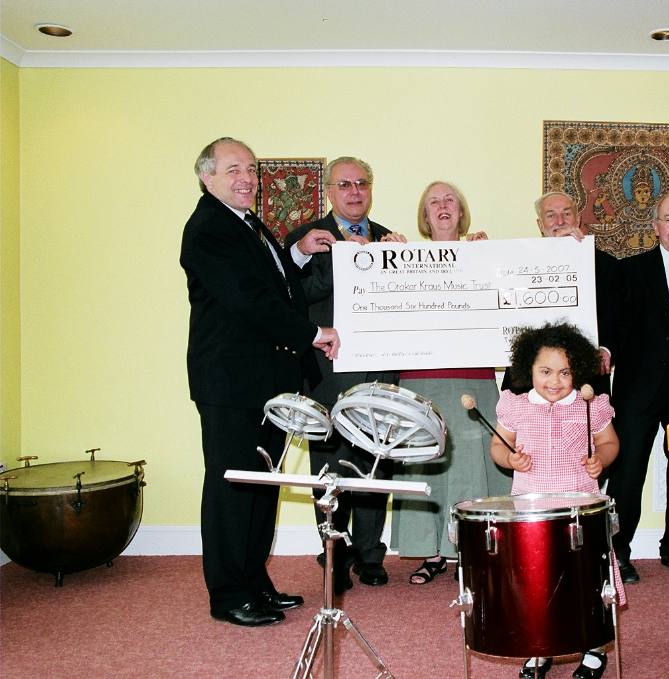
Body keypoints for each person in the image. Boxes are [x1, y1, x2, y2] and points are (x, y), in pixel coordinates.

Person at [180, 137, 341, 627]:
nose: (247, 178)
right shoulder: (208, 227)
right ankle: (230, 594)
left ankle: (254, 582)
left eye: (251, 169)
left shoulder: (247, 223)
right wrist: (312, 333)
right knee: (233, 488)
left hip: (265, 382)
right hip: (231, 383)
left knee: (262, 485)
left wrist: (298, 252)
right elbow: (249, 299)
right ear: (206, 176)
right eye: (234, 169)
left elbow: (277, 282)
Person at [284, 156, 406, 592]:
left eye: (362, 183)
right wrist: (348, 261)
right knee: (329, 468)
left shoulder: (389, 238)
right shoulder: (306, 239)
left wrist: (402, 262)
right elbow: (294, 297)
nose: (355, 191)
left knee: (375, 464)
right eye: (345, 184)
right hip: (327, 372)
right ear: (329, 191)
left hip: (378, 372)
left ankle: (371, 555)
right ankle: (335, 552)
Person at [391, 180, 512, 584]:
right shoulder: (403, 258)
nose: (442, 207)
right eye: (434, 202)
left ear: (461, 212)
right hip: (421, 377)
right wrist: (386, 256)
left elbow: (509, 304)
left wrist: (491, 260)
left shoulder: (484, 255)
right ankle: (432, 552)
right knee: (426, 464)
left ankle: (471, 550)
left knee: (473, 465)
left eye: (450, 201)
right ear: (425, 216)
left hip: (473, 376)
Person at [491, 322, 621, 679]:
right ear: (528, 369)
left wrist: (601, 459)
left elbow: (610, 443)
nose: (555, 381)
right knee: (535, 582)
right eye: (545, 372)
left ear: (576, 371)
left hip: (580, 508)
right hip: (531, 512)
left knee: (584, 581)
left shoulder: (589, 405)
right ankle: (539, 646)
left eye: (564, 372)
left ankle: (593, 646)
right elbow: (497, 446)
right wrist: (510, 459)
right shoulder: (516, 406)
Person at [604, 191, 669, 584]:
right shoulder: (630, 270)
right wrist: (606, 350)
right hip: (637, 388)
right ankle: (618, 553)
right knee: (627, 474)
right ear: (656, 226)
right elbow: (615, 325)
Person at [500, 191, 618, 395]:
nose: (560, 221)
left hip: (585, 380)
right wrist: (477, 249)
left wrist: (605, 349)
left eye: (566, 213)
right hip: (528, 380)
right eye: (551, 215)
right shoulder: (518, 263)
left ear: (578, 219)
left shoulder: (607, 266)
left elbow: (618, 317)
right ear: (540, 225)